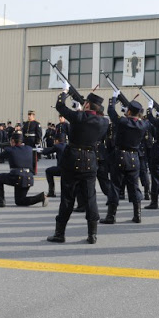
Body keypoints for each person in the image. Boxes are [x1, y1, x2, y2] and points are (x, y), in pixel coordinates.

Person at [47, 86, 109, 244]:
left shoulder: (78, 117)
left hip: (72, 160)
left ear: (87, 105)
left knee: (67, 198)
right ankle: (92, 234)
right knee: (90, 197)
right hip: (90, 160)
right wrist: (82, 110)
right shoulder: (104, 121)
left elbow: (60, 107)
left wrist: (64, 93)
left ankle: (60, 234)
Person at [101, 94, 147, 224]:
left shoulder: (123, 121)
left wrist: (113, 99)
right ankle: (137, 215)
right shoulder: (143, 125)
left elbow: (111, 112)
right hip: (134, 157)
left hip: (120, 156)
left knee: (115, 186)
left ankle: (111, 216)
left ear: (130, 111)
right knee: (134, 186)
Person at [0, 132, 48, 208]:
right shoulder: (29, 148)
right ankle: (40, 197)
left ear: (12, 141)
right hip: (28, 178)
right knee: (20, 201)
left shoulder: (10, 150)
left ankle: (1, 201)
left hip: (17, 176)